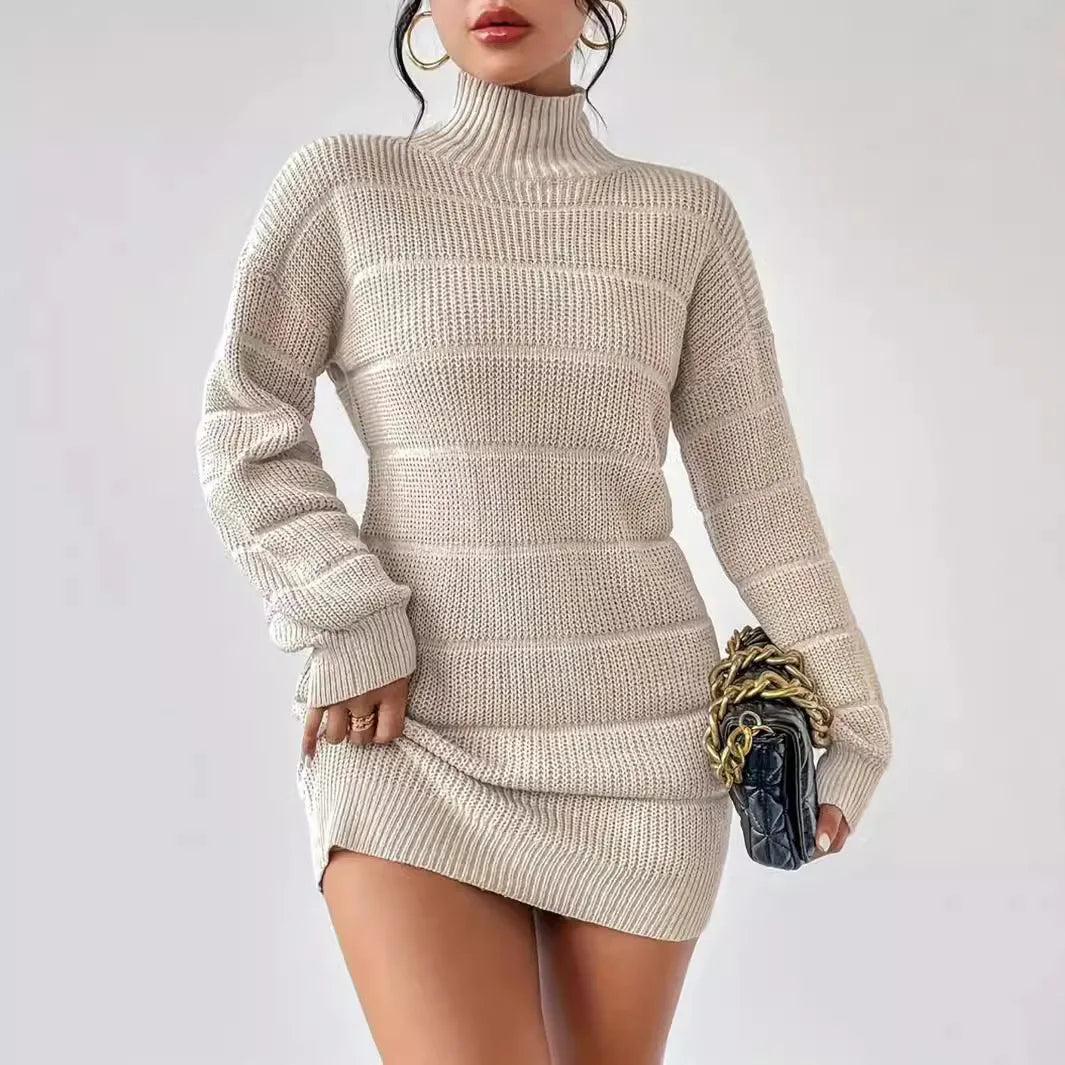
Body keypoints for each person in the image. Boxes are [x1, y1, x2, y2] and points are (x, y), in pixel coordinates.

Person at [194, 2, 892, 1061]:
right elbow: (244, 421)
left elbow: (758, 498)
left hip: (639, 752)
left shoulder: (683, 219)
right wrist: (348, 611)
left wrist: (858, 718)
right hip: (408, 738)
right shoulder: (346, 190)